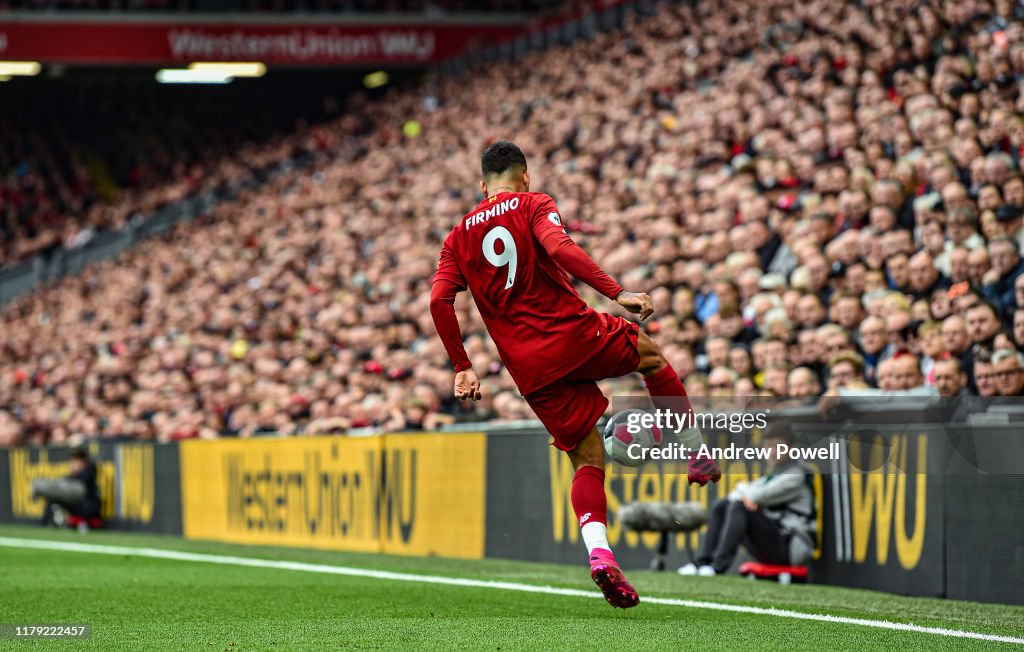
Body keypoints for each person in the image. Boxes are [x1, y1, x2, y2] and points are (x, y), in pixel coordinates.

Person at [429, 142, 722, 609]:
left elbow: (439, 302)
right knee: (649, 356)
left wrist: (462, 365)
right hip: (572, 334)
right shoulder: (533, 203)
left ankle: (602, 556)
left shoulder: (457, 236)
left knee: (587, 460)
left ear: (482, 187)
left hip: (529, 369)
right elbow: (560, 247)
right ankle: (695, 450)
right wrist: (617, 292)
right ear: (524, 177)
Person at [679, 422, 815, 576]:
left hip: (791, 550)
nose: (771, 451)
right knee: (721, 505)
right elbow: (737, 494)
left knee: (739, 507)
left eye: (778, 446)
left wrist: (746, 493)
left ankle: (717, 567)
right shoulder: (774, 474)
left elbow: (755, 495)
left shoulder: (796, 475)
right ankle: (702, 563)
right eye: (768, 446)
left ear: (792, 448)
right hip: (776, 543)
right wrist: (746, 494)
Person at [32, 448, 101, 529]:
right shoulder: (74, 474)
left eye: (76, 461)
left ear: (83, 461)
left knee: (57, 495)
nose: (73, 464)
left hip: (88, 508)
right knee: (54, 498)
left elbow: (77, 482)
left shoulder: (89, 472)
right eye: (72, 461)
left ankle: (44, 524)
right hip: (79, 505)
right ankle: (45, 523)